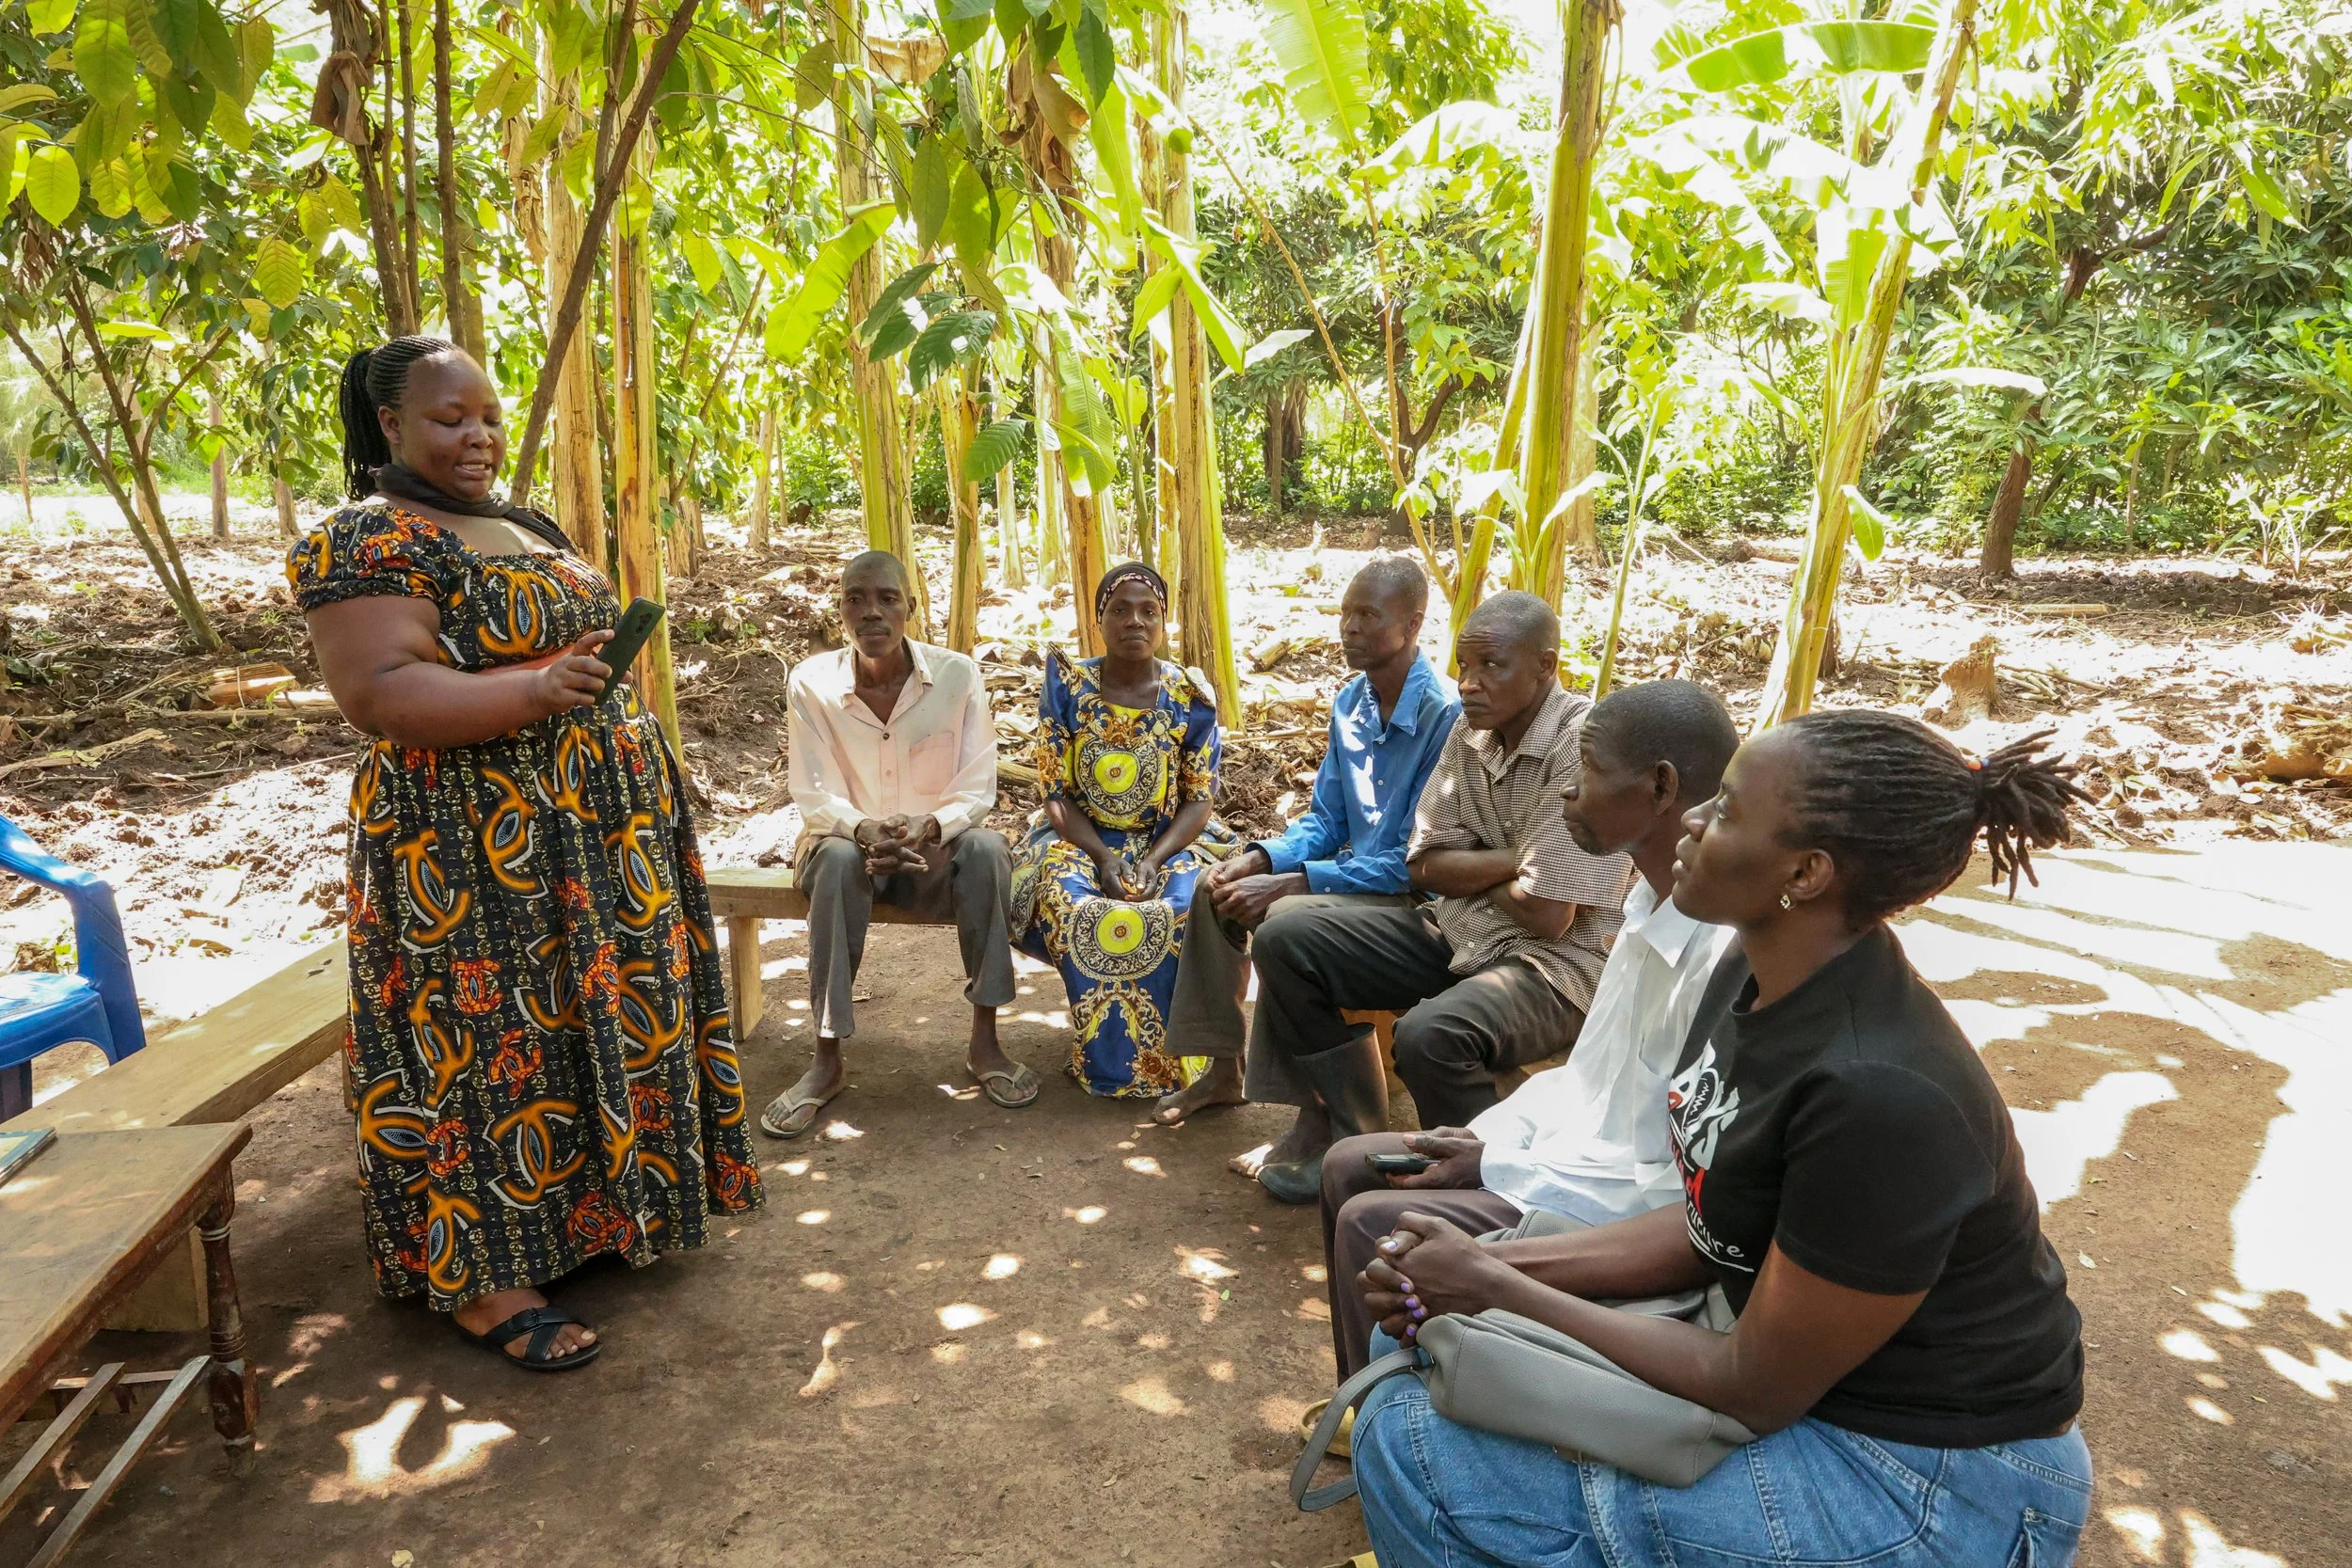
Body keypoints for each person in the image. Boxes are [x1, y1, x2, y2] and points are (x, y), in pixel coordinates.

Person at [1348, 716, 2095, 1568]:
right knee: (1410, 1337)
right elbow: (1716, 1229)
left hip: (1930, 1479)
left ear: (1805, 873)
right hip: (1813, 1393)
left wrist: (1491, 1281)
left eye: (1728, 811)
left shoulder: (1880, 1094)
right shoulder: (1751, 977)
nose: (1694, 822)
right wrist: (1478, 1272)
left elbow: (1753, 1383)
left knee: (1411, 1442)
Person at [290, 337, 761, 1371]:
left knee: (574, 1020)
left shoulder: (514, 523)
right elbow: (378, 690)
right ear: (391, 427)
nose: (479, 436)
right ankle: (488, 1278)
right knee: (486, 1037)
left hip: (593, 840)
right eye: (451, 419)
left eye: (488, 417)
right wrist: (533, 691)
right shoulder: (365, 537)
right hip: (473, 853)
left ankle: (588, 1217)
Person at [1311, 679, 1740, 1382]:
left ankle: (1411, 1409)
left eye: (1589, 773)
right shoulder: (1645, 909)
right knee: (1348, 1164)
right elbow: (1588, 1085)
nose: (1567, 794)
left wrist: (1501, 1167)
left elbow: (1660, 1192)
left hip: (1610, 1210)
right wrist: (1491, 1139)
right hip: (1572, 1166)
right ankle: (1371, 1394)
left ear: (1661, 788)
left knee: (1372, 1221)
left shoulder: (1712, 957)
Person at [1247, 591, 1629, 1202]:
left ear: (1546, 666)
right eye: (1463, 666)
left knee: (1429, 1035)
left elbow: (1548, 915)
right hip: (1457, 931)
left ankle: (1485, 1198)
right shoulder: (1469, 731)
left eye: (1491, 666)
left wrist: (1472, 864)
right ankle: (1351, 1127)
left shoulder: (1581, 747)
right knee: (1285, 936)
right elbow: (1423, 865)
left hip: (1557, 968)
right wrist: (1516, 858)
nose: (1470, 683)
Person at [1152, 557, 1457, 1135]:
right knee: (1214, 890)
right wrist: (1262, 858)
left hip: (1413, 899)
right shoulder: (1352, 704)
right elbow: (1325, 821)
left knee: (1285, 923)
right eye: (1345, 613)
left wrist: (1298, 881)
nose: (1350, 628)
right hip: (1354, 881)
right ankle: (1223, 1069)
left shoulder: (1447, 715)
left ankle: (1318, 1108)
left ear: (1414, 624)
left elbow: (1417, 863)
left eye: (1368, 614)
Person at [769, 549, 1028, 1136]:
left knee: (988, 851)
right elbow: (813, 790)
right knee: (834, 858)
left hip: (931, 851)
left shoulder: (957, 675)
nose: (872, 613)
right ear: (840, 612)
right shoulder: (811, 682)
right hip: (845, 849)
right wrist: (863, 831)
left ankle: (986, 1043)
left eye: (887, 598)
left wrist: (928, 826)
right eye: (855, 600)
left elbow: (976, 783)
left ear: (911, 606)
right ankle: (827, 1059)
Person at [1010, 563, 1236, 1098]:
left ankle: (1178, 1061)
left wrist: (1154, 860)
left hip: (1172, 840)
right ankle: (1106, 1063)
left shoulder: (1190, 694)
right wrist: (1104, 858)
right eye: (1120, 610)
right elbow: (1056, 795)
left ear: (1163, 621)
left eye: (1148, 611)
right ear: (1099, 620)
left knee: (1181, 909)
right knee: (1075, 906)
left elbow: (1199, 799)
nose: (1134, 621)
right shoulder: (1068, 684)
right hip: (1077, 837)